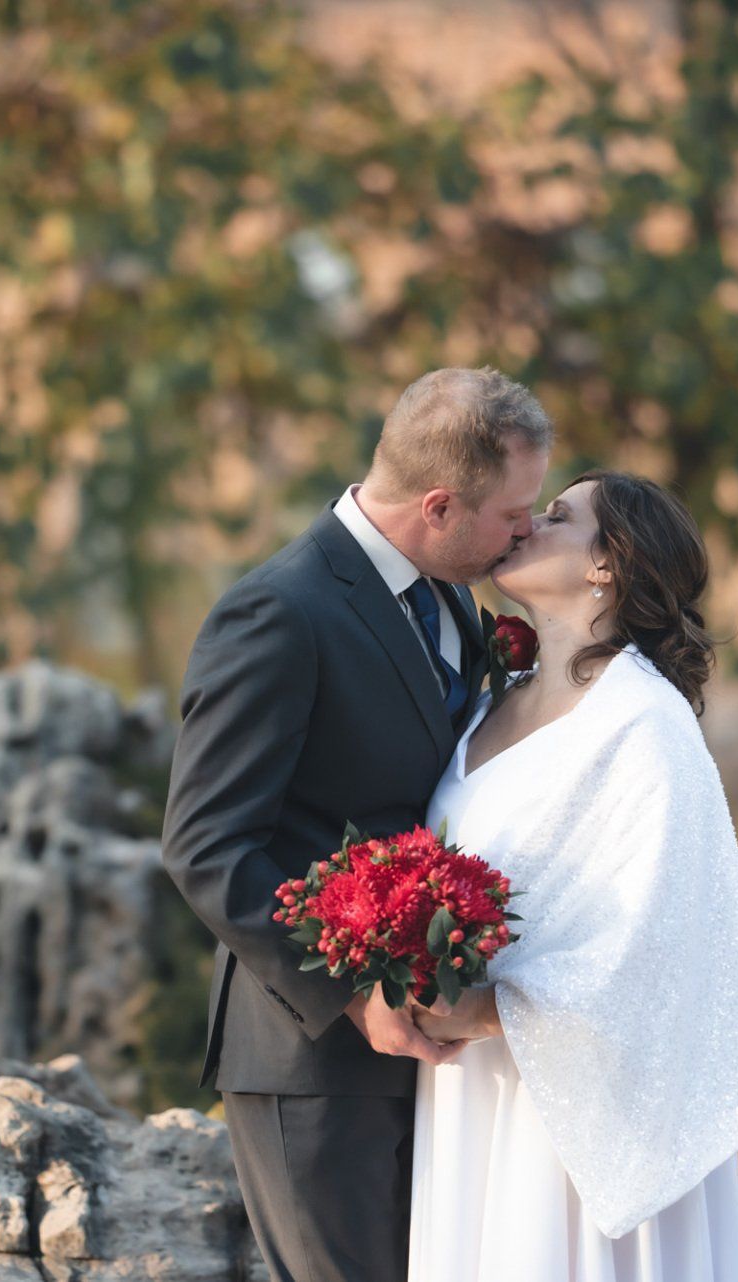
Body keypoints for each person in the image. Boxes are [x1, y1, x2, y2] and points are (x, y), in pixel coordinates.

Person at [160, 367, 554, 1282]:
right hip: (311, 1059)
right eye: (514, 513)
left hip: (427, 1052)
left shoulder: (450, 591)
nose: (527, 530)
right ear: (440, 505)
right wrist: (346, 994)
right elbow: (206, 845)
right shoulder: (279, 612)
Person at [406, 470, 738, 1281]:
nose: (526, 525)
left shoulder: (643, 723)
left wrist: (480, 1011)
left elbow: (654, 941)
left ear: (607, 565)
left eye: (556, 516)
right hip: (475, 1092)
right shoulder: (488, 705)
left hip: (581, 1106)